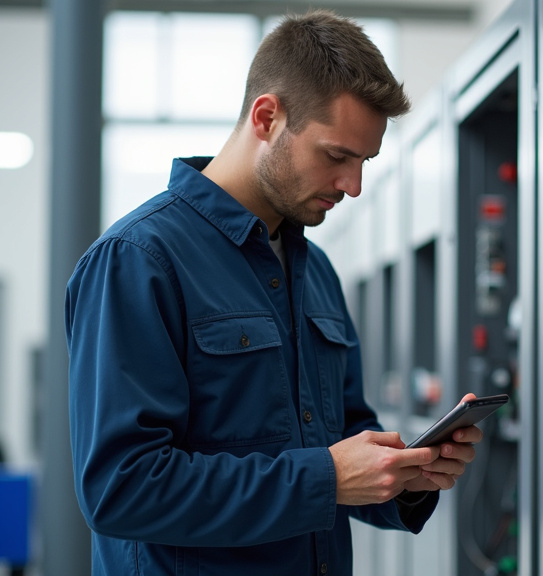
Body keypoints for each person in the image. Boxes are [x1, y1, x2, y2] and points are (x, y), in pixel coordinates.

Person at [64, 10, 481, 576]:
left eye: (364, 162)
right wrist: (325, 478)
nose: (353, 186)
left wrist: (405, 475)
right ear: (267, 117)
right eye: (337, 156)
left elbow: (342, 440)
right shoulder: (139, 261)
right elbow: (123, 488)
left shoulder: (317, 272)